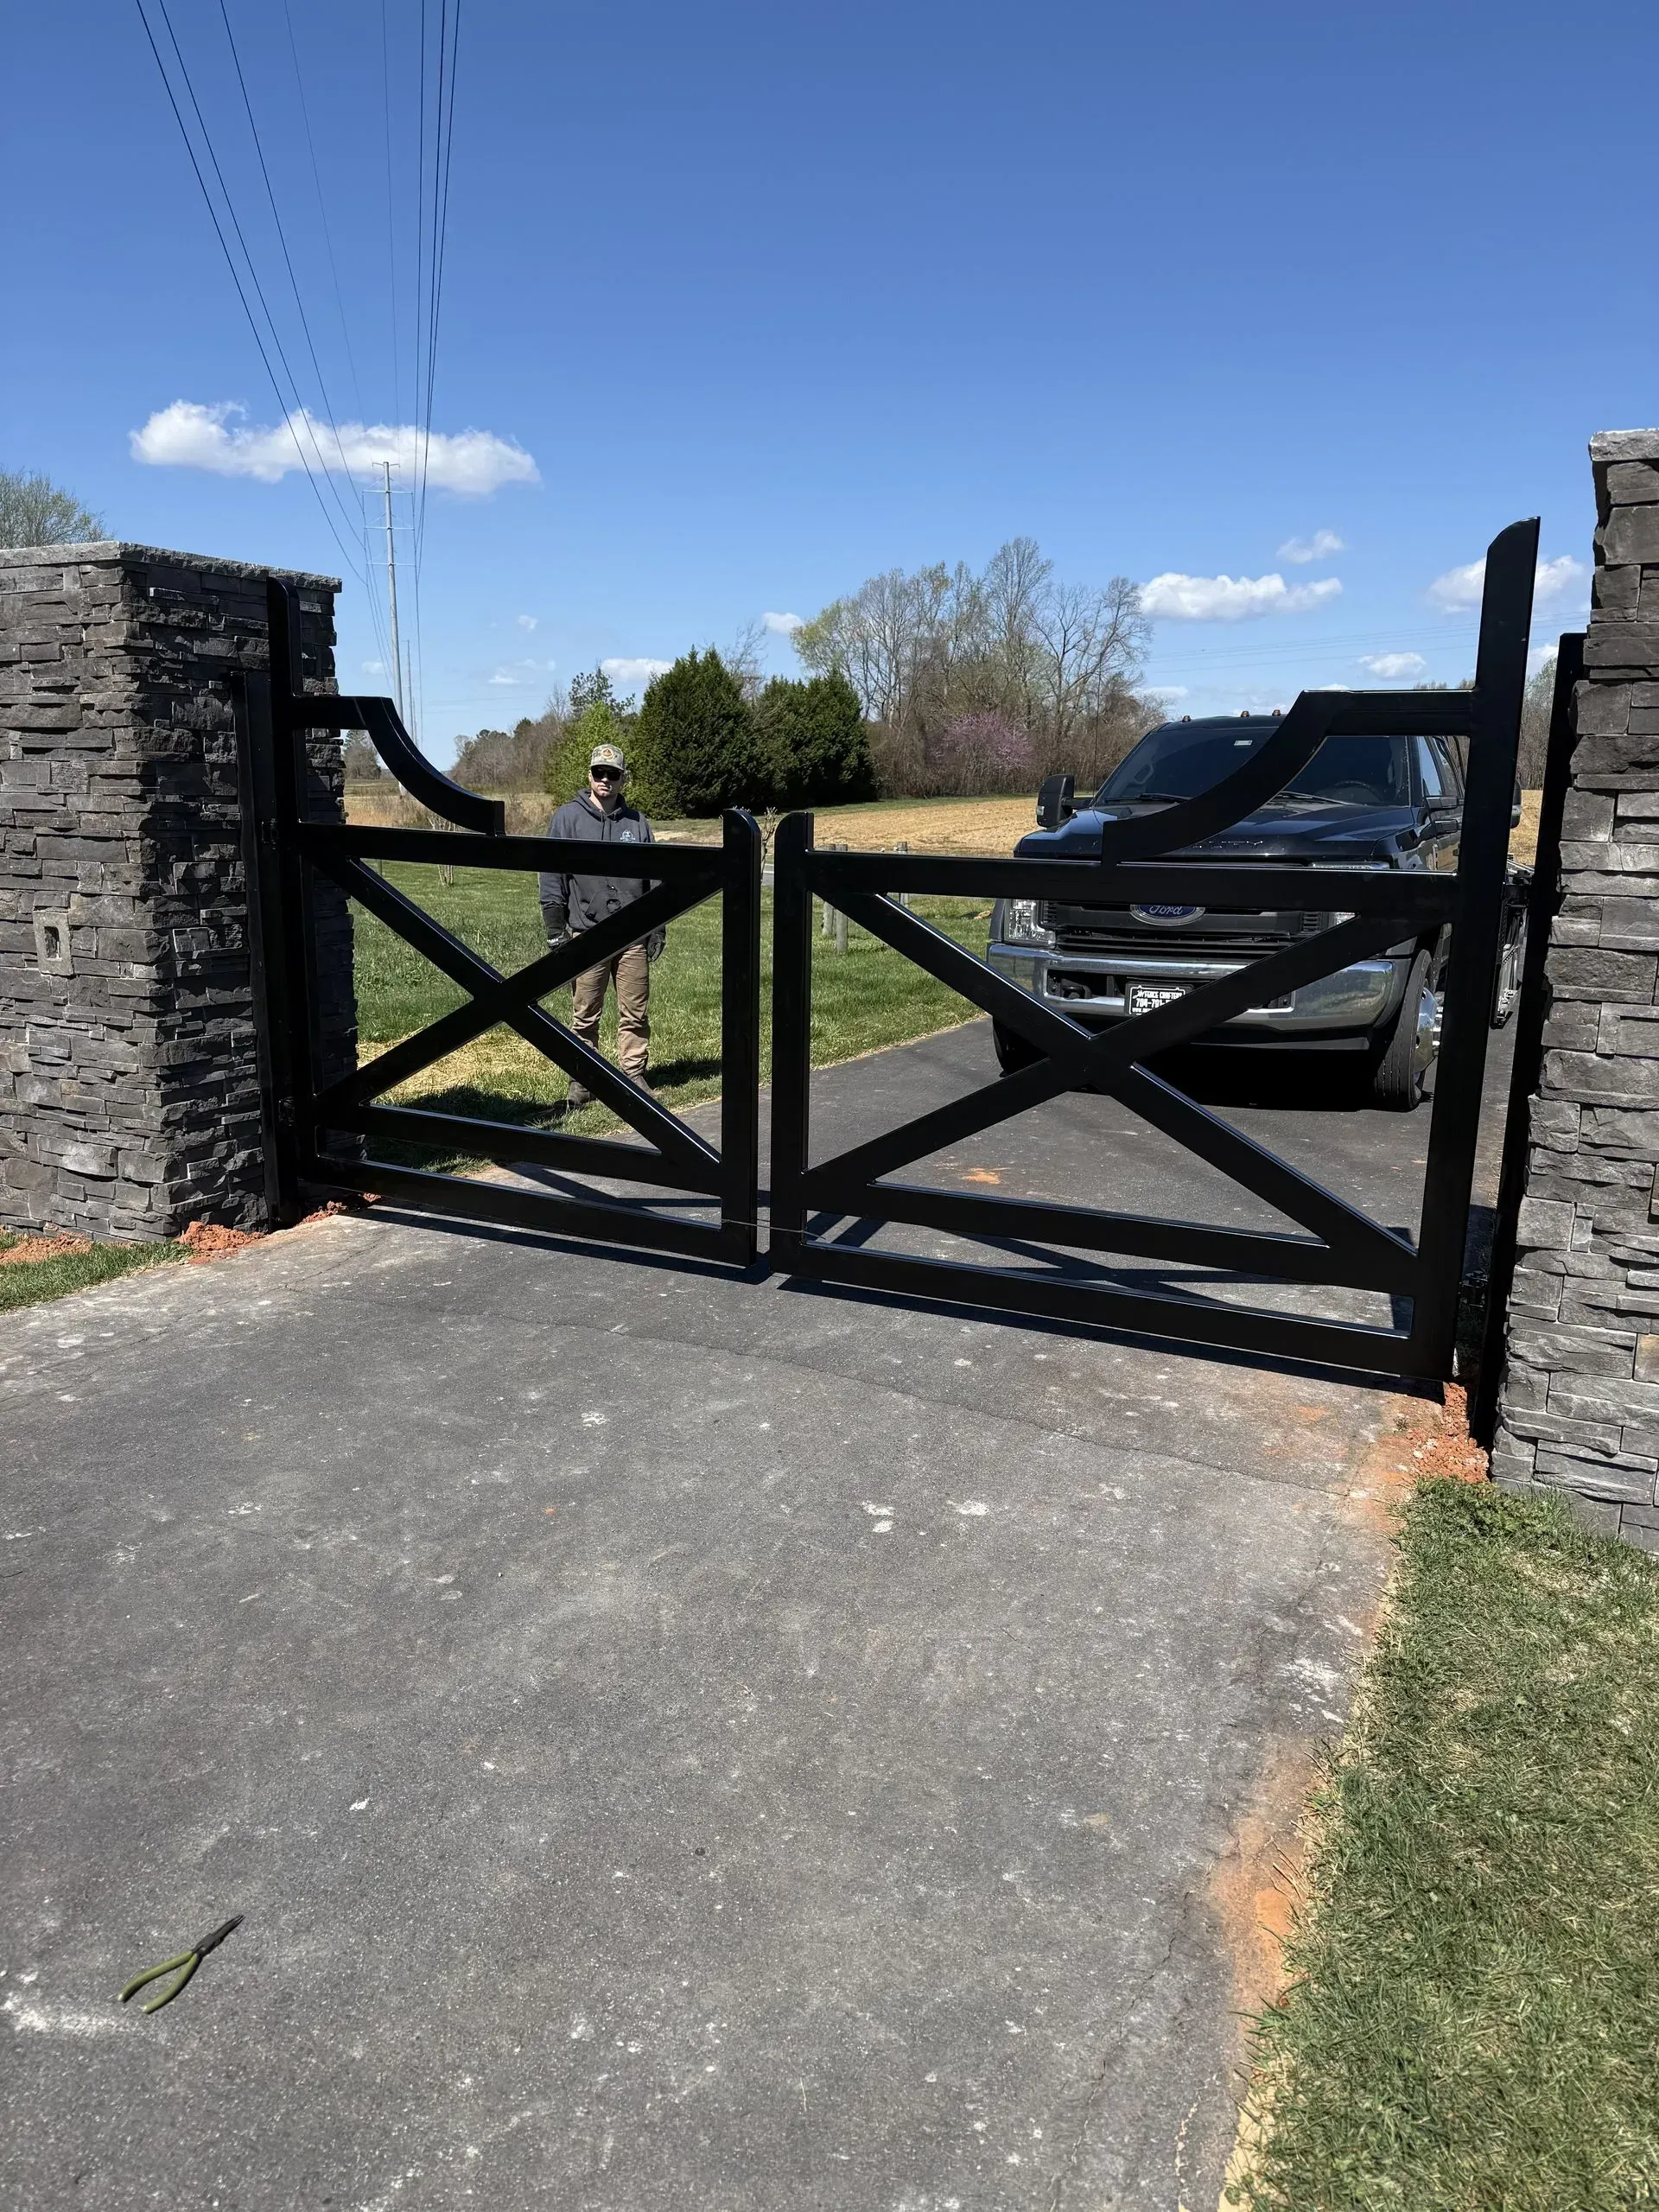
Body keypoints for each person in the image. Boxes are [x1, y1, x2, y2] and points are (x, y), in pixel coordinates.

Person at [538, 741, 664, 1109]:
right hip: (586, 932)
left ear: (623, 779)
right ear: (590, 775)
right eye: (599, 773)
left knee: (636, 1011)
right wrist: (554, 928)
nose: (605, 780)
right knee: (585, 1013)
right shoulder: (566, 819)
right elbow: (552, 875)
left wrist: (657, 927)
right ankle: (583, 1079)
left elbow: (654, 875)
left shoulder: (636, 821)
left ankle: (633, 1073)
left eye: (613, 774)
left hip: (633, 933)